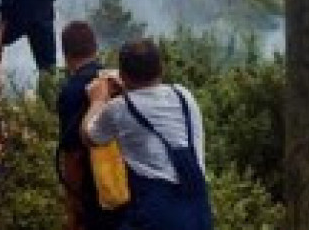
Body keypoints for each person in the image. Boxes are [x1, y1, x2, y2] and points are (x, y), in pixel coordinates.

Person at [81, 39, 213, 230]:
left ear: (123, 74)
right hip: (198, 213)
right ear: (161, 68)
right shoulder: (184, 95)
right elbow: (152, 100)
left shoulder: (119, 109)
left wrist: (97, 100)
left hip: (154, 216)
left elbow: (89, 137)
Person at [57, 21, 125, 230]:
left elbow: (74, 154)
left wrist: (74, 208)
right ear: (95, 49)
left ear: (66, 55)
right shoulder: (117, 82)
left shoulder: (72, 91)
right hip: (127, 187)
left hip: (95, 192)